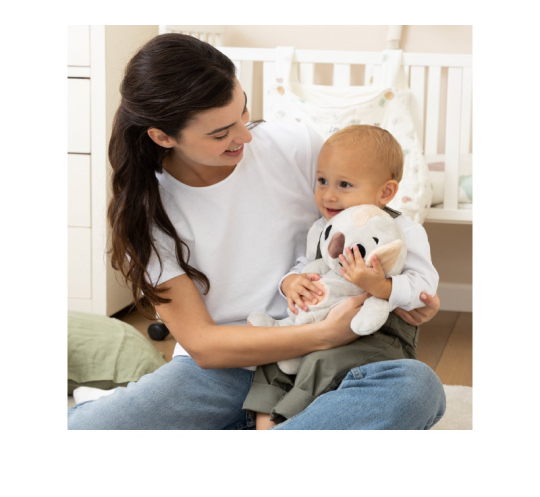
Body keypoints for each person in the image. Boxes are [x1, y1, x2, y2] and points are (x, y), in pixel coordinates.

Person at [68, 33, 445, 430]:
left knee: (416, 388)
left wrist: (409, 291)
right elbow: (204, 344)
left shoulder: (297, 148)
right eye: (220, 133)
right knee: (83, 431)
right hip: (226, 370)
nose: (245, 135)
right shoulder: (146, 211)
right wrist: (325, 334)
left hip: (332, 363)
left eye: (243, 111)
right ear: (163, 137)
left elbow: (370, 224)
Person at [243, 125, 439, 429]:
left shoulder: (404, 231)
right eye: (322, 181)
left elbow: (424, 286)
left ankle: (295, 419)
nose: (328, 194)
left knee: (321, 364)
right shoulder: (321, 226)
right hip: (316, 328)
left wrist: (380, 286)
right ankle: (264, 427)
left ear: (385, 192)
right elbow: (308, 264)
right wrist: (290, 283)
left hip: (374, 336)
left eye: (344, 184)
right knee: (272, 358)